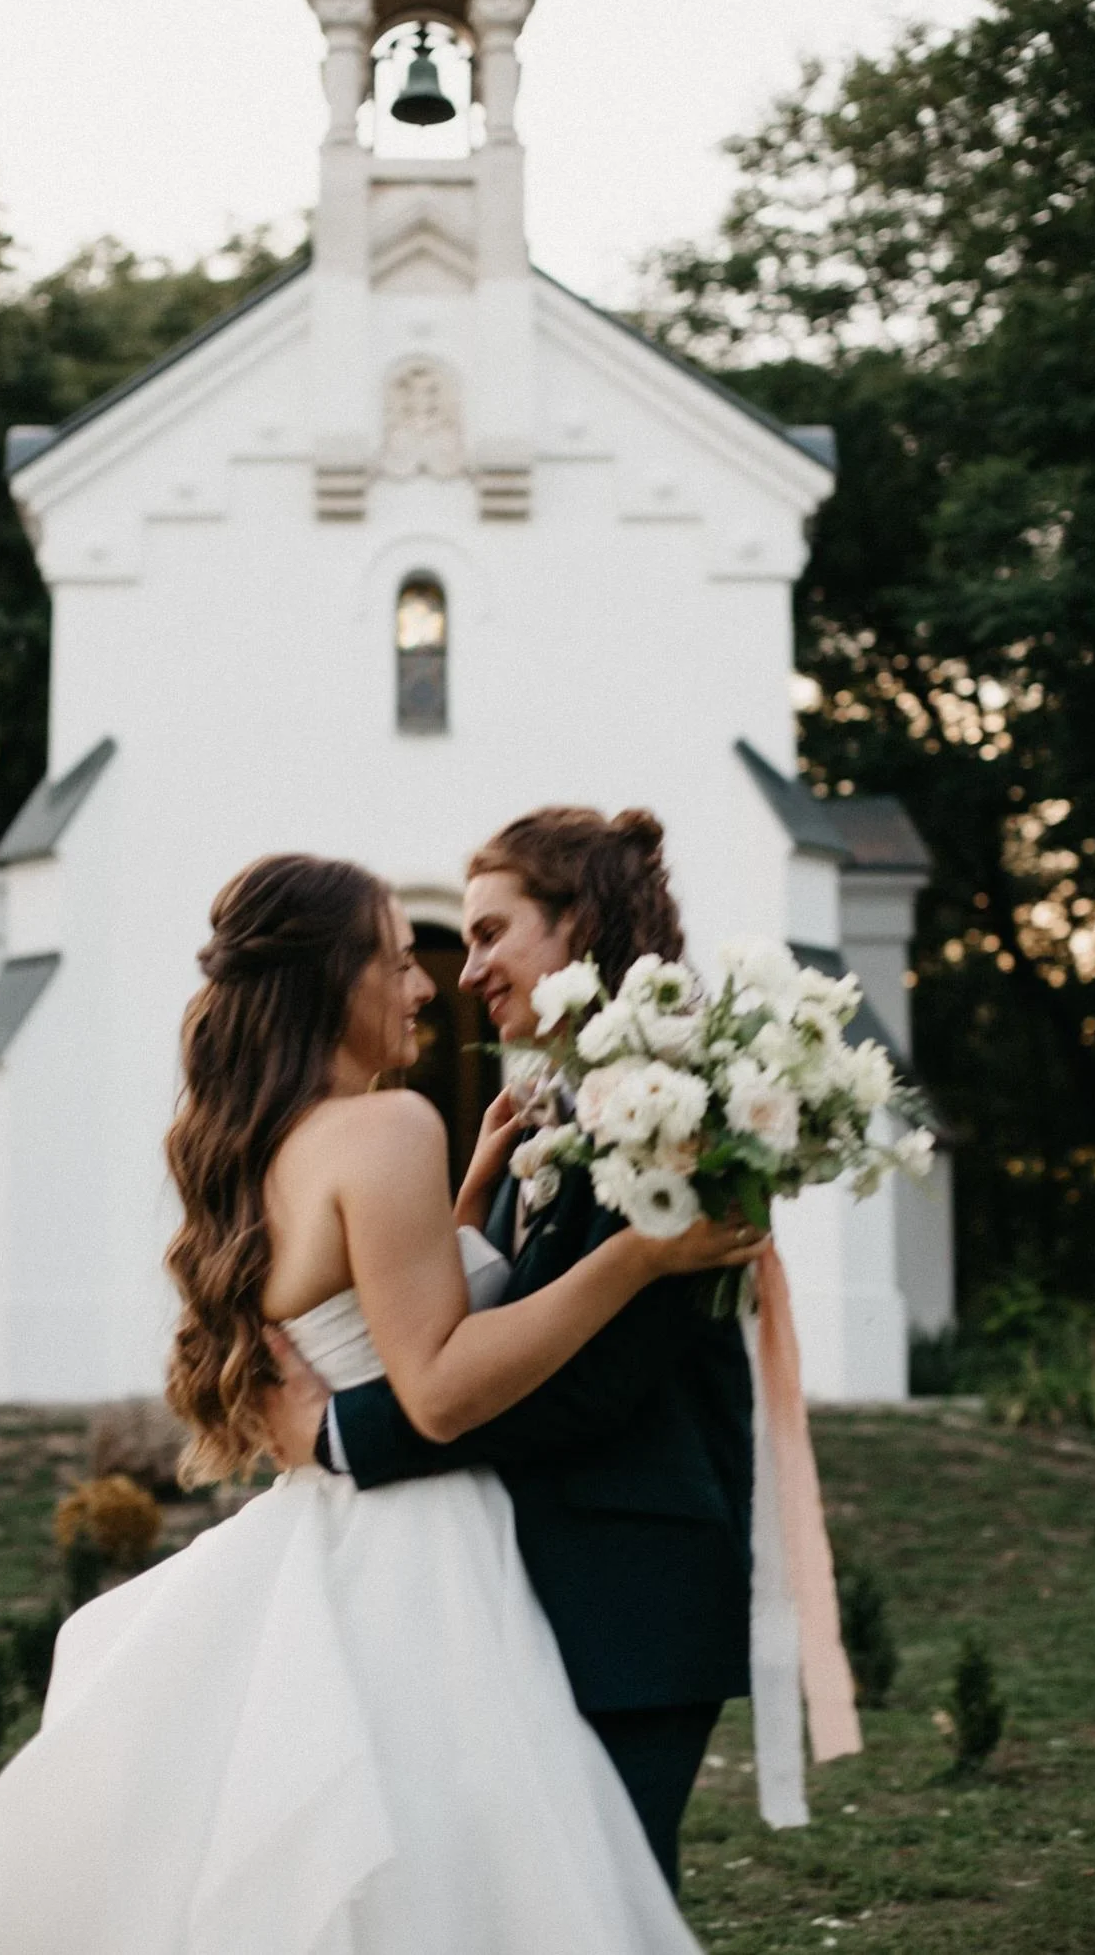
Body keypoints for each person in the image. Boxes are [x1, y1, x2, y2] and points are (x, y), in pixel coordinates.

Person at [0, 851, 764, 1955]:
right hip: (420, 1552)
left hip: (322, 1535)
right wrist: (637, 1255)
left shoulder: (263, 1140)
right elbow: (435, 1389)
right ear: (329, 980)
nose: (426, 982)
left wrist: (470, 1201)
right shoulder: (389, 1127)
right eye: (395, 961)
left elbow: (383, 1307)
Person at [264, 808, 759, 1889]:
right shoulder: (556, 1108)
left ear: (578, 922)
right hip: (532, 1581)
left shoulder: (675, 1112)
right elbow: (494, 1323)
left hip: (631, 1587)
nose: (465, 968)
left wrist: (342, 1434)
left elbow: (583, 1386)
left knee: (604, 1904)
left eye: (490, 932)